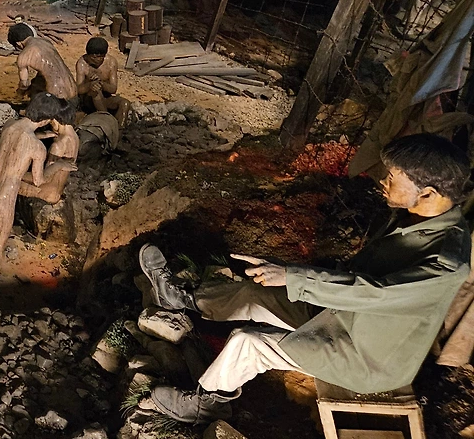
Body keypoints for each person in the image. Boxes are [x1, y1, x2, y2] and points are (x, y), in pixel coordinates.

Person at [141, 133, 472, 423]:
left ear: (428, 194)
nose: (382, 181)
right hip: (343, 316)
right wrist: (288, 273)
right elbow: (356, 276)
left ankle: (207, 405)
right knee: (256, 292)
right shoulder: (414, 217)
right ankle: (183, 301)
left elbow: (375, 293)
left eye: (392, 177)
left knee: (249, 343)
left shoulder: (447, 264)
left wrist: (294, 277)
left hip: (364, 356)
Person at [0, 93, 72, 275]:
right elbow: (38, 180)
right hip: (6, 193)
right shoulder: (37, 148)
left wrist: (42, 135)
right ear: (46, 119)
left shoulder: (9, 126)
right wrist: (58, 166)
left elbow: (17, 140)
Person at [9, 23, 76, 103]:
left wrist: (19, 94)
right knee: (36, 83)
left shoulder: (24, 55)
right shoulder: (46, 42)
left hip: (57, 97)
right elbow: (48, 71)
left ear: (18, 44)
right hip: (73, 92)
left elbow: (24, 84)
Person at [76, 37, 130, 126]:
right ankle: (107, 120)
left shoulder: (111, 63)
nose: (98, 60)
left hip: (106, 98)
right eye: (94, 57)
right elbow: (79, 89)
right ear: (88, 55)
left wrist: (102, 84)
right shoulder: (82, 64)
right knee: (95, 90)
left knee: (125, 103)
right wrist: (90, 85)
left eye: (101, 57)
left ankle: (120, 128)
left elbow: (113, 89)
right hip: (88, 100)